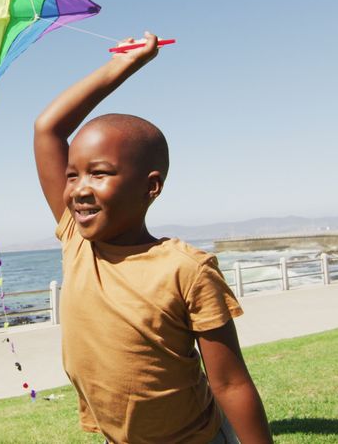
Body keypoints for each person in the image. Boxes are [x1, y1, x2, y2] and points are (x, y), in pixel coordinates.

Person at [33, 33, 273, 444]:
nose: (79, 188)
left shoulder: (185, 269)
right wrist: (122, 65)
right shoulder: (77, 240)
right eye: (73, 174)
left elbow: (231, 384)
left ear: (151, 186)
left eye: (100, 173)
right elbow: (48, 128)